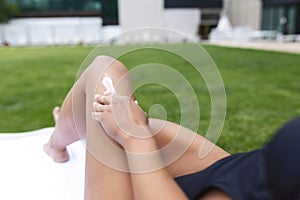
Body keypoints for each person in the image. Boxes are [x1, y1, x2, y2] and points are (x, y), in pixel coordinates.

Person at [44, 55, 300, 200]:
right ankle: (62, 137)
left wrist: (134, 136)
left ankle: (57, 143)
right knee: (120, 116)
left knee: (105, 73)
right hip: (244, 175)